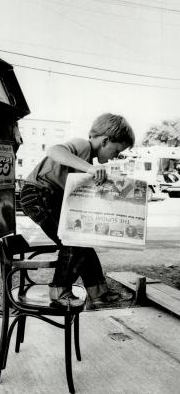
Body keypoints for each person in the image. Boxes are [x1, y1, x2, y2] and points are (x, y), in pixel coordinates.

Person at [20, 113, 135, 307]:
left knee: (83, 242)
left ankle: (99, 293)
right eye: (117, 151)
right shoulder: (83, 145)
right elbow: (54, 150)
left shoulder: (87, 157)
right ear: (106, 141)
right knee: (72, 241)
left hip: (49, 197)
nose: (116, 156)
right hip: (38, 194)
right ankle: (58, 290)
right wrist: (89, 168)